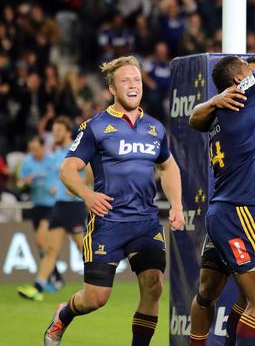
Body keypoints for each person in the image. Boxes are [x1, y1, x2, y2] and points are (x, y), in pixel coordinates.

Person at [43, 55, 185, 346]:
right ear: (112, 89)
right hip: (109, 221)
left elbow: (168, 166)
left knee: (154, 285)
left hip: (146, 222)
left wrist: (177, 205)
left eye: (136, 80)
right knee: (96, 298)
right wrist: (87, 194)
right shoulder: (95, 127)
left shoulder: (155, 128)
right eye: (125, 81)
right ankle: (64, 313)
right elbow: (67, 169)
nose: (133, 86)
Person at [187, 0, 255, 345]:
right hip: (243, 209)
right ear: (238, 80)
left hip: (223, 208)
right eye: (248, 68)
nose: (254, 71)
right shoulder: (242, 97)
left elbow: (195, 119)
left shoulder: (219, 112)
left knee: (211, 292)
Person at [18, 118, 88, 301]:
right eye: (54, 130)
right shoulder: (56, 153)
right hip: (59, 206)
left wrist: (78, 188)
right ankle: (38, 288)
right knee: (50, 249)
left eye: (58, 130)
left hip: (74, 205)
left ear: (67, 132)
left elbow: (90, 171)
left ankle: (98, 282)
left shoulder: (76, 148)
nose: (54, 133)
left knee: (83, 247)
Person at [16, 137, 59, 291]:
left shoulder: (52, 161)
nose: (33, 152)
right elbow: (19, 183)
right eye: (31, 149)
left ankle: (49, 278)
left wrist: (56, 188)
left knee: (42, 241)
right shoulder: (27, 162)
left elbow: (60, 177)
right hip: (37, 205)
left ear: (42, 147)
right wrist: (26, 181)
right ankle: (55, 276)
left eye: (36, 149)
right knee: (42, 245)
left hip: (51, 206)